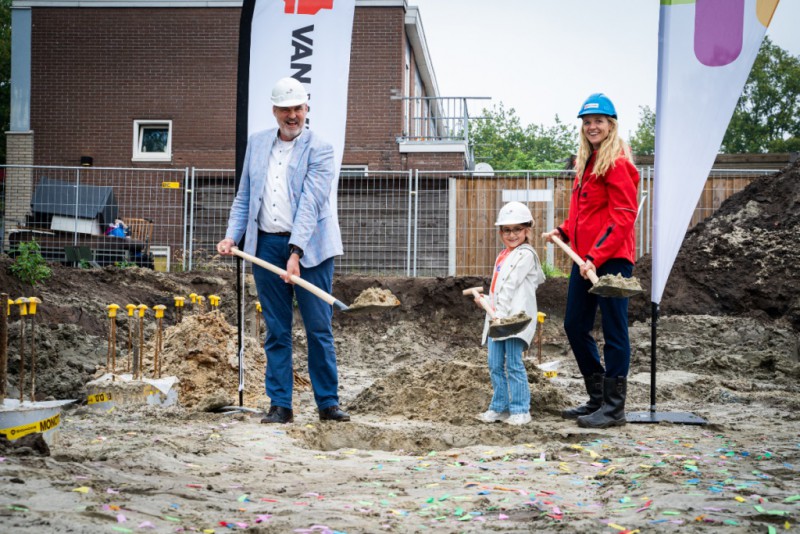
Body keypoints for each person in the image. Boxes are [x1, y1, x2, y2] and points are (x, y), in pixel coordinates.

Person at [216, 77, 349, 424]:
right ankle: (281, 405)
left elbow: (310, 205)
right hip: (266, 245)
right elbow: (245, 196)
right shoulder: (257, 144)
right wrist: (233, 236)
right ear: (275, 111)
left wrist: (296, 254)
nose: (293, 115)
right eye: (285, 109)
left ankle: (328, 403)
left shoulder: (321, 149)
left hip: (311, 249)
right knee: (277, 329)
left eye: (298, 108)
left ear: (307, 109)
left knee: (318, 327)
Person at [542, 93, 640, 429]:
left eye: (598, 121)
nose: (591, 126)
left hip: (610, 261)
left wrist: (595, 256)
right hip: (585, 261)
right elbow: (585, 214)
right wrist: (563, 231)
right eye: (587, 122)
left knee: (614, 331)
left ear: (611, 125)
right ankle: (598, 396)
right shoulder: (587, 163)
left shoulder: (617, 163)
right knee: (574, 325)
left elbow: (624, 214)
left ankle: (615, 408)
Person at [477, 201, 546, 426]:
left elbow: (511, 285)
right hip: (498, 318)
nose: (512, 234)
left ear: (527, 230)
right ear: (500, 233)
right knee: (495, 364)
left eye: (518, 229)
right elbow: (498, 288)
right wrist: (487, 302)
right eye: (507, 230)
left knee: (514, 363)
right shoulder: (503, 255)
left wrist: (501, 314)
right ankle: (499, 407)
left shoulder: (526, 255)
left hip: (515, 320)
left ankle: (520, 409)